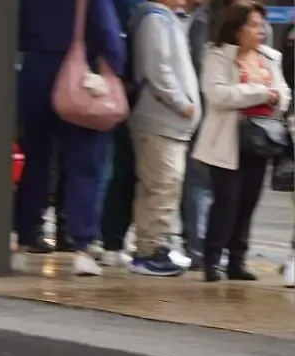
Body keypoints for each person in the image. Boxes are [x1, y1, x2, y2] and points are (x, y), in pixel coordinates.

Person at [15, 0, 127, 277]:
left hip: (35, 75)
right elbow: (107, 31)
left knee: (36, 164)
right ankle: (82, 246)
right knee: (85, 163)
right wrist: (115, 68)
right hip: (79, 76)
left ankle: (23, 239)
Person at [191, 1, 289, 281]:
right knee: (226, 201)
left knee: (248, 201)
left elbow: (283, 94)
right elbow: (219, 95)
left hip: (260, 139)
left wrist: (274, 96)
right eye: (253, 25)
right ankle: (212, 260)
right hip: (226, 140)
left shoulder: (270, 57)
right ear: (237, 29)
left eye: (262, 25)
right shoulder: (218, 55)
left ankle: (237, 260)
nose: (260, 31)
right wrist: (261, 92)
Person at [126, 0, 202, 276]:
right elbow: (158, 68)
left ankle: (155, 245)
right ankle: (149, 251)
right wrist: (181, 103)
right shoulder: (155, 19)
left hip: (169, 122)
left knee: (164, 186)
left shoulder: (167, 19)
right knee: (161, 185)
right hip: (160, 119)